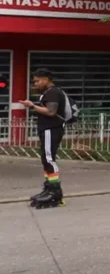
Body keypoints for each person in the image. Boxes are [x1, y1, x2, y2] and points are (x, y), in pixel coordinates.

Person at [19, 68, 70, 208]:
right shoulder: (48, 92)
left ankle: (55, 191)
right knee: (45, 159)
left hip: (51, 129)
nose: (35, 83)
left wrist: (32, 105)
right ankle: (48, 188)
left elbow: (51, 112)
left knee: (49, 159)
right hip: (47, 129)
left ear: (46, 79)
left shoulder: (53, 92)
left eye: (37, 81)